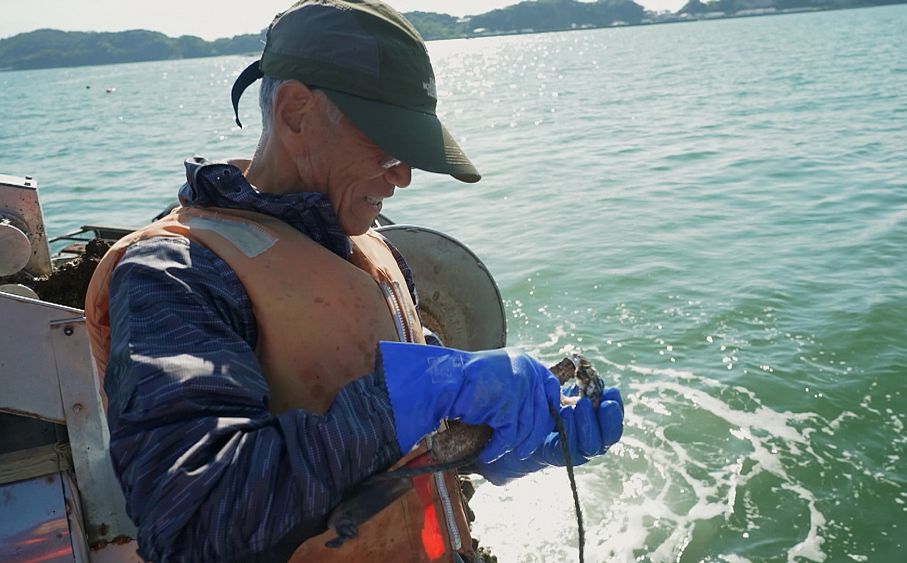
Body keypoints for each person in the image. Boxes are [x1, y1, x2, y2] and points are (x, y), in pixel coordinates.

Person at [84, 1, 624, 561]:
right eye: (390, 147)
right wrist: (427, 390)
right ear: (296, 112)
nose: (405, 177)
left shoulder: (374, 248)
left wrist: (498, 445)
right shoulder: (175, 275)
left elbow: (404, 435)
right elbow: (195, 525)